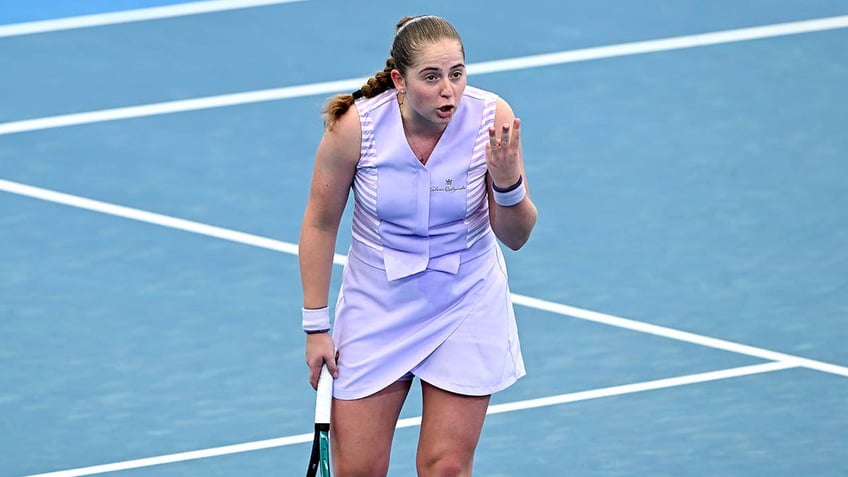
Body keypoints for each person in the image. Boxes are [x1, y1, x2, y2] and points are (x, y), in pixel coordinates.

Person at [298, 14, 538, 476]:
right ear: (399, 81)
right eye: (431, 77)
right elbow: (320, 223)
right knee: (359, 470)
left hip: (465, 298)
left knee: (445, 466)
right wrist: (315, 327)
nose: (449, 90)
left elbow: (516, 236)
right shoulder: (355, 127)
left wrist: (508, 187)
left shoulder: (493, 120)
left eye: (457, 73)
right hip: (378, 304)